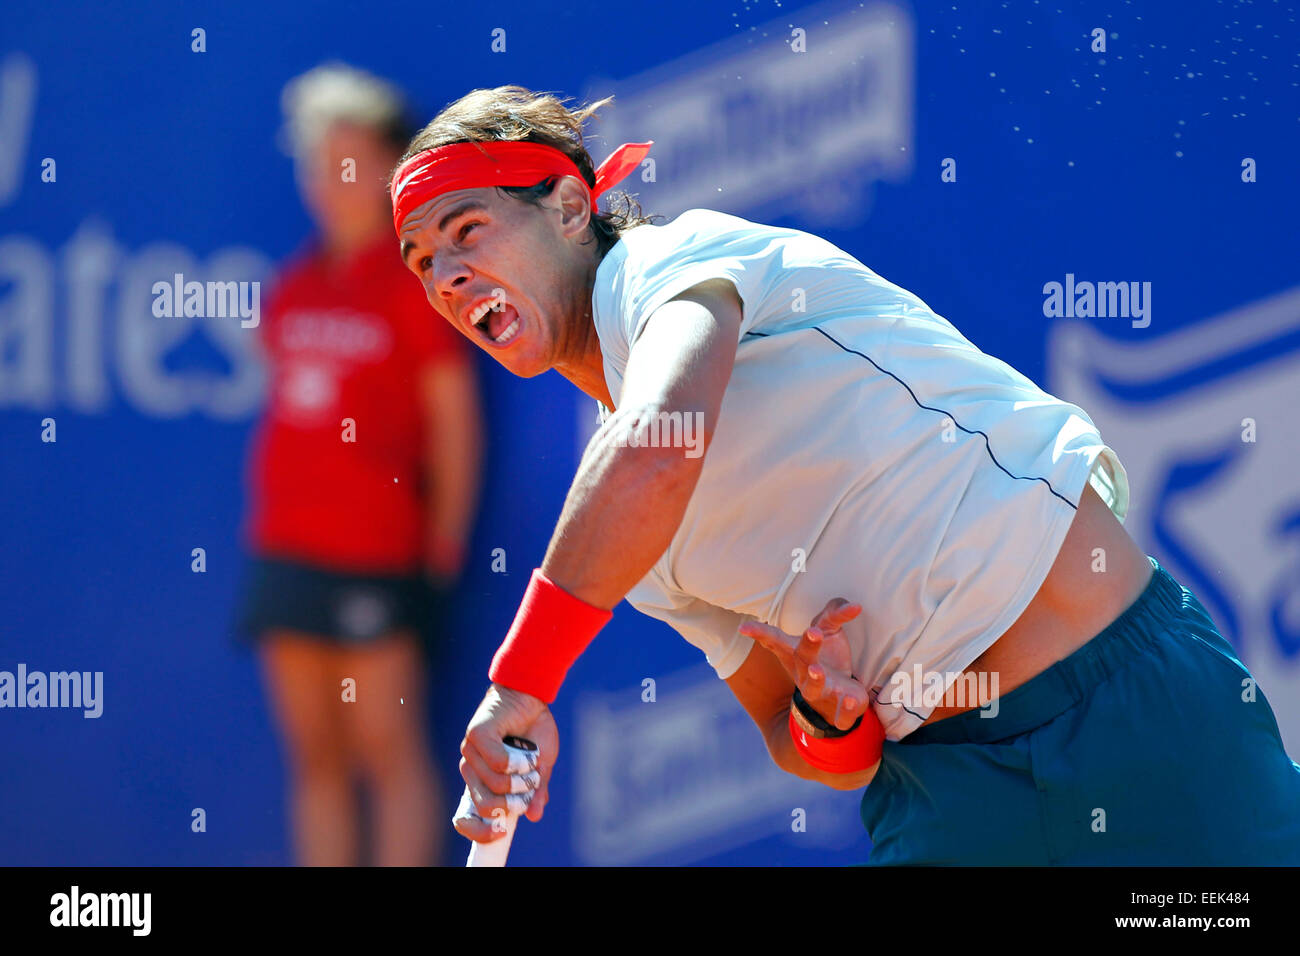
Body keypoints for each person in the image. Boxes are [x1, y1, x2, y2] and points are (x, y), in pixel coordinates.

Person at [391, 84, 1300, 864]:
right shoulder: (615, 525)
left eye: (469, 230)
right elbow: (805, 746)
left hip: (1133, 711)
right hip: (945, 794)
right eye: (425, 263)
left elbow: (660, 445)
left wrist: (520, 683)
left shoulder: (675, 264)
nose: (450, 277)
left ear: (568, 207)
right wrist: (832, 716)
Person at [238, 64, 483, 866]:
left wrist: (440, 549)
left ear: (389, 171)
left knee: (388, 750)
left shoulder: (417, 286)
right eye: (319, 163)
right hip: (285, 549)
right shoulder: (295, 285)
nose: (332, 181)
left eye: (351, 161)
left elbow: (454, 425)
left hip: (378, 556)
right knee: (314, 757)